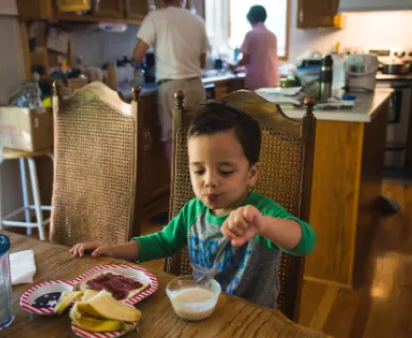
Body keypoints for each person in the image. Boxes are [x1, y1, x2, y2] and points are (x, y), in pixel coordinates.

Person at [70, 102, 317, 308]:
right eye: (199, 170)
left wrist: (264, 225)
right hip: (202, 308)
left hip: (251, 318)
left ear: (252, 173)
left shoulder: (259, 213)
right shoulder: (192, 211)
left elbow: (305, 241)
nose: (209, 181)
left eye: (226, 171)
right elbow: (162, 242)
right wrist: (112, 250)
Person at [131, 0, 210, 174]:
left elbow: (138, 54)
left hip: (172, 87)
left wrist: (137, 62)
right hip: (196, 85)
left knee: (173, 139)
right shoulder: (197, 20)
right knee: (198, 136)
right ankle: (197, 191)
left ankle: (178, 193)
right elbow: (202, 60)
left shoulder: (155, 17)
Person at [230, 5, 279, 91]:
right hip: (272, 81)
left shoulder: (251, 34)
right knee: (269, 104)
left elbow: (245, 60)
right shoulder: (272, 35)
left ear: (250, 18)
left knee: (256, 104)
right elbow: (263, 59)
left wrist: (234, 66)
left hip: (257, 81)